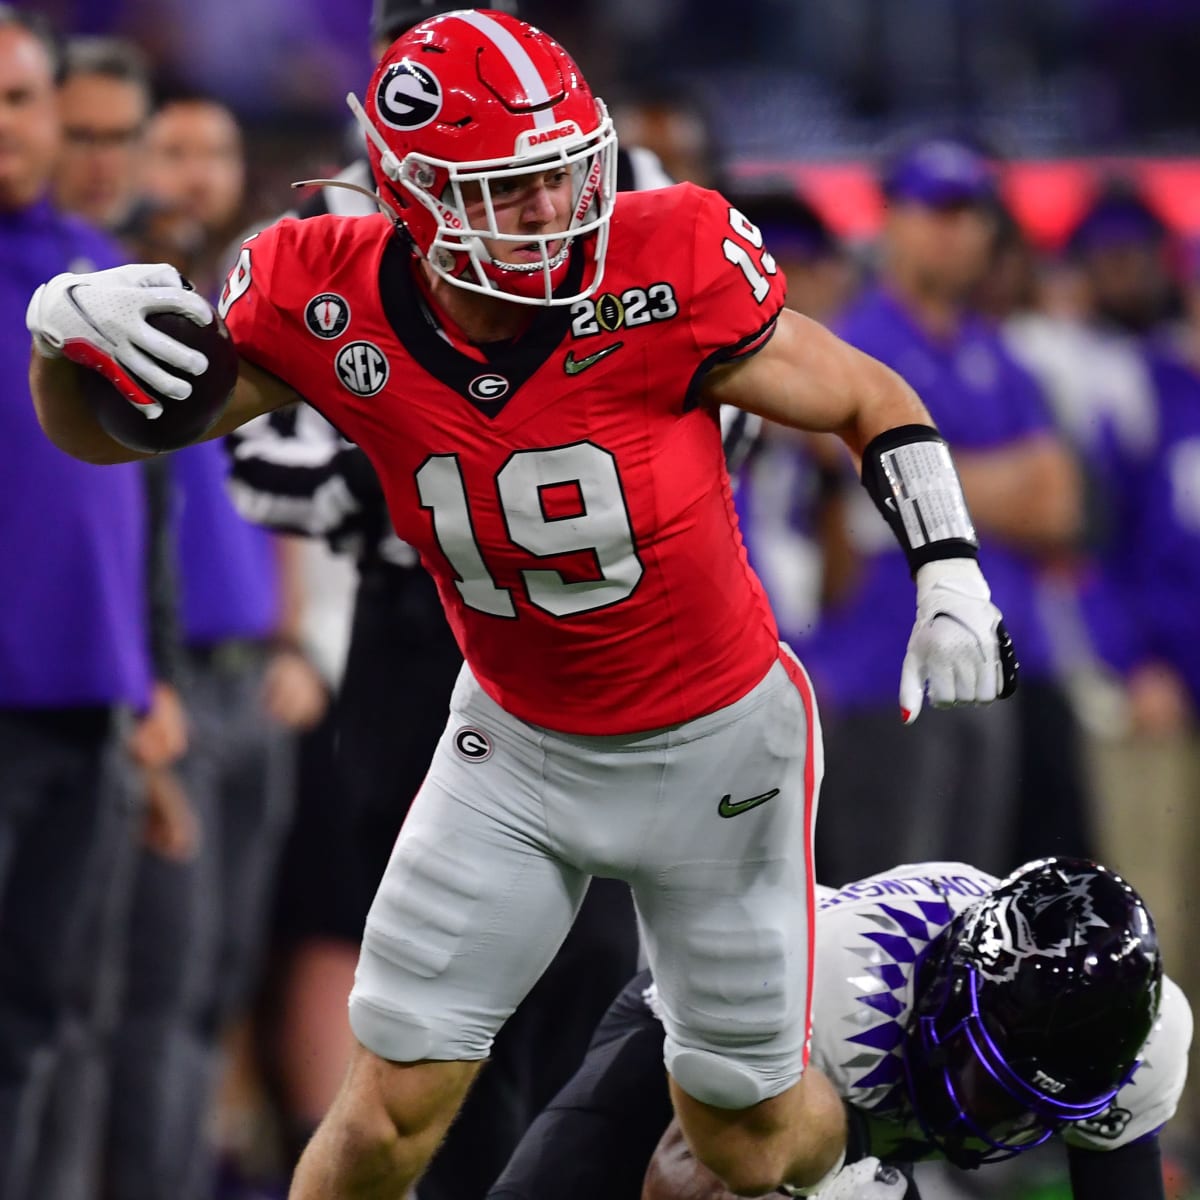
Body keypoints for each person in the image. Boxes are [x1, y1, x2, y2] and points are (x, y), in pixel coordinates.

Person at [25, 13, 1018, 1197]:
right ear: (407, 194)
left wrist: (948, 568)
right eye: (507, 187)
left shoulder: (667, 260)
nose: (553, 211)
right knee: (385, 1111)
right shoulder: (321, 292)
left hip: (719, 745)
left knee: (742, 1141)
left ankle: (869, 1147)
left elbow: (867, 394)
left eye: (560, 172)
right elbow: (120, 434)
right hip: (516, 748)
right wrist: (62, 347)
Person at [488, 856, 1188, 1200]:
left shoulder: (1143, 1050)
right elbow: (677, 1183)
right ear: (946, 997)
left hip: (855, 1122)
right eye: (992, 1086)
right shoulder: (822, 981)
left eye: (1033, 1112)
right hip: (714, 1034)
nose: (993, 1124)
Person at [799, 136, 1085, 887]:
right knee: (882, 912)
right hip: (880, 671)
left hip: (987, 668)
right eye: (937, 210)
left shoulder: (995, 350)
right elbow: (856, 475)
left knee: (969, 911)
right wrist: (1001, 485)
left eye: (971, 213)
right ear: (891, 220)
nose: (957, 231)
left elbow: (1058, 501)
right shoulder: (854, 343)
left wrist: (934, 481)